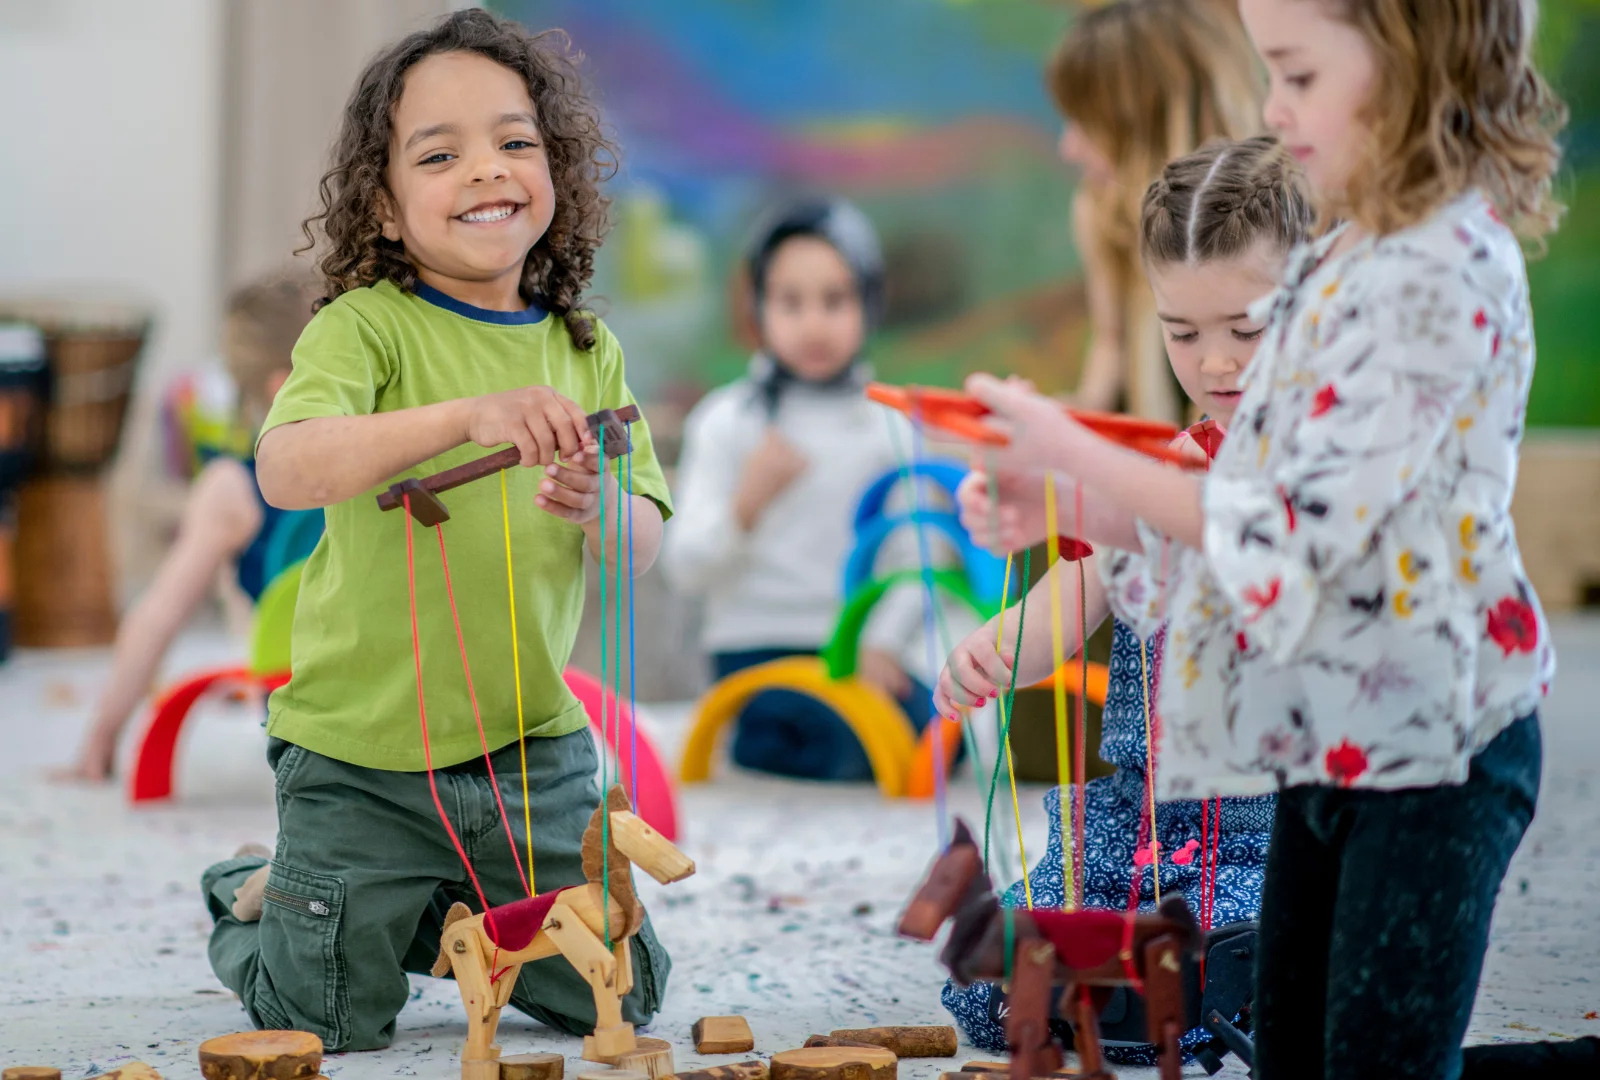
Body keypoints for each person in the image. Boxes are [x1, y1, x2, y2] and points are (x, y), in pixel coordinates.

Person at [960, 0, 1564, 1075]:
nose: (1274, 110)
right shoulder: (1351, 261)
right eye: (1270, 75)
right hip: (1321, 746)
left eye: (1297, 75)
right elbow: (1222, 512)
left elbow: (1287, 527)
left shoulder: (1438, 276)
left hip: (1435, 749)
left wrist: (1084, 460)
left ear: (1411, 64)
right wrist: (1075, 510)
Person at [196, 10, 673, 1051]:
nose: (486, 170)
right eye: (440, 154)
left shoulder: (586, 347)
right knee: (326, 1019)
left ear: (555, 170)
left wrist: (605, 511)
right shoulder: (361, 328)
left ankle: (418, 908)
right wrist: (464, 416)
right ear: (384, 204)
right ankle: (252, 887)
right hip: (360, 755)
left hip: (530, 747)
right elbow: (286, 467)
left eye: (514, 141)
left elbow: (642, 539)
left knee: (622, 991)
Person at [937, 136, 1309, 1065]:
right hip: (1133, 824)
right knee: (990, 978)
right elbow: (1076, 590)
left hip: (1267, 828)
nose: (1214, 362)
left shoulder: (1323, 470)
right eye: (1182, 333)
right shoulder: (1161, 469)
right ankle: (1130, 997)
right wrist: (996, 651)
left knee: (1215, 973)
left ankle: (1189, 994)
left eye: (1247, 328)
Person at [663, 198, 953, 781]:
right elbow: (685, 568)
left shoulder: (890, 427)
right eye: (791, 302)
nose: (814, 324)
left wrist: (883, 642)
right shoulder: (728, 420)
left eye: (835, 300)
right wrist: (746, 505)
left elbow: (921, 556)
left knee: (940, 731)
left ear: (868, 304)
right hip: (756, 651)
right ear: (758, 308)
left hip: (855, 651)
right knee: (832, 745)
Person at [53, 274, 319, 782]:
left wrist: (102, 736)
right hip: (397, 694)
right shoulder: (389, 456)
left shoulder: (231, 488)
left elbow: (157, 615)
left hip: (301, 707)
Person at [1048, 0, 1263, 424]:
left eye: (1088, 124)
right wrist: (1071, 415)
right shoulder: (1101, 211)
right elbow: (1110, 346)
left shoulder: (1276, 227)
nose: (1068, 148)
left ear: (1152, 126)